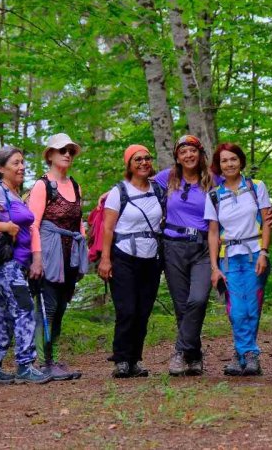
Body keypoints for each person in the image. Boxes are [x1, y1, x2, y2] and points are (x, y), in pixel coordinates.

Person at [0, 146, 52, 385]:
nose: (22, 167)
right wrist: (5, 227)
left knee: (3, 314)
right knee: (24, 307)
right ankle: (25, 365)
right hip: (5, 263)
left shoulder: (14, 193)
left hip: (17, 263)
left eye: (23, 162)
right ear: (0, 168)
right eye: (15, 163)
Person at [206, 143, 272, 377]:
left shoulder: (256, 187)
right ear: (219, 166)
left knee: (252, 306)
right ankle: (243, 353)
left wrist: (264, 252)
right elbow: (213, 232)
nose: (229, 164)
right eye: (224, 161)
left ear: (241, 161)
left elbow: (267, 220)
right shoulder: (214, 195)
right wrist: (214, 267)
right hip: (228, 258)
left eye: (233, 159)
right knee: (235, 309)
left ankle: (247, 355)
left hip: (255, 253)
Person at [97, 145, 165, 378]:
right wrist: (105, 260)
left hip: (151, 258)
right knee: (127, 310)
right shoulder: (118, 192)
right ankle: (122, 359)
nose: (143, 163)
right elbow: (107, 228)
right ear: (129, 164)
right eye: (137, 159)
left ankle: (135, 359)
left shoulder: (157, 189)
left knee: (143, 311)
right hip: (123, 256)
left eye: (147, 158)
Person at [29, 133, 88, 380]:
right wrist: (37, 258)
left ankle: (51, 359)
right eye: (62, 150)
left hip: (70, 255)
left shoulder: (75, 185)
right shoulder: (42, 186)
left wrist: (83, 251)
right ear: (50, 155)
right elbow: (33, 224)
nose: (67, 154)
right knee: (47, 308)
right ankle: (42, 362)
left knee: (61, 308)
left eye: (70, 151)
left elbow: (78, 221)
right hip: (49, 253)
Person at [156, 135, 215, 376]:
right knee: (182, 305)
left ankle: (180, 351)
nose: (188, 156)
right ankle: (194, 356)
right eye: (183, 152)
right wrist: (110, 195)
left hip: (201, 246)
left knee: (198, 300)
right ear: (177, 157)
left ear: (200, 154)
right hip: (172, 246)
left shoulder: (212, 179)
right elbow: (137, 184)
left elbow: (238, 186)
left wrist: (264, 208)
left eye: (192, 151)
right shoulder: (166, 177)